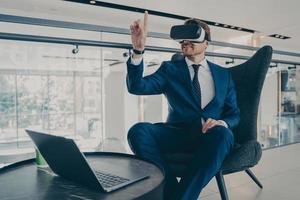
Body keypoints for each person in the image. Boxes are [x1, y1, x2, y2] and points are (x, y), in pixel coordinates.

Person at [126, 11, 240, 200]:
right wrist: (138, 51)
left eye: (192, 36)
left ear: (206, 43)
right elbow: (136, 87)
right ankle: (175, 194)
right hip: (178, 133)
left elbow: (234, 113)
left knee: (223, 134)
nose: (186, 41)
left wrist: (223, 123)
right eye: (182, 38)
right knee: (138, 131)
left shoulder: (223, 75)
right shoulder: (169, 69)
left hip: (211, 136)